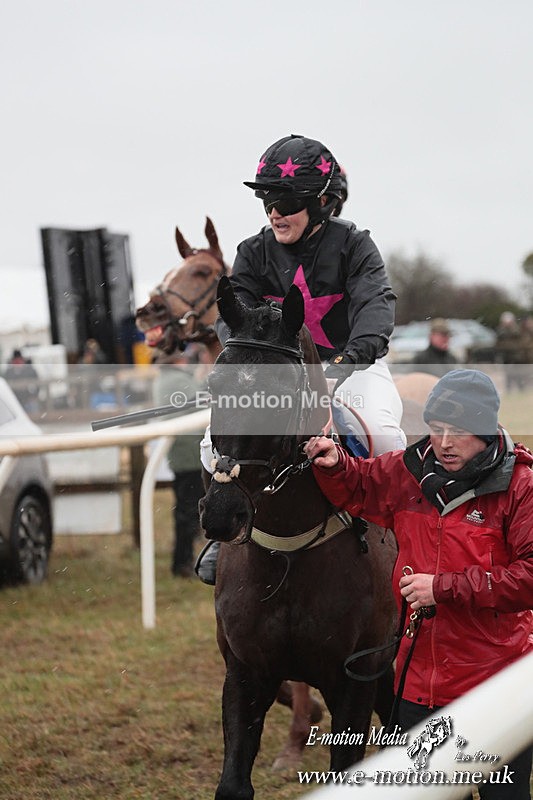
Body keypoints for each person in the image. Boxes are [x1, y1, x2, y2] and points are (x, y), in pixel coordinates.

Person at [305, 368, 533, 799]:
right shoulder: (408, 470)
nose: (443, 443)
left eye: (459, 431)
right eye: (436, 429)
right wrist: (337, 465)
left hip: (498, 690)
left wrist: (444, 588)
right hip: (417, 685)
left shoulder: (521, 486)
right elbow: (362, 485)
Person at [196, 133, 406, 584]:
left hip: (351, 366)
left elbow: (377, 307)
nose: (274, 211)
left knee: (386, 436)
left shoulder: (355, 245)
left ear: (323, 202)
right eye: (268, 200)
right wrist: (247, 370)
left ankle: (407, 538)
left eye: (287, 200)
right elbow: (232, 315)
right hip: (275, 372)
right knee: (209, 443)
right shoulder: (252, 252)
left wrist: (343, 365)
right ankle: (223, 536)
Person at [154, 346, 206, 577]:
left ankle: (183, 561)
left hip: (183, 455)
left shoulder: (170, 379)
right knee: (188, 512)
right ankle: (183, 563)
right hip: (190, 456)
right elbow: (203, 402)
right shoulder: (178, 381)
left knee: (186, 510)